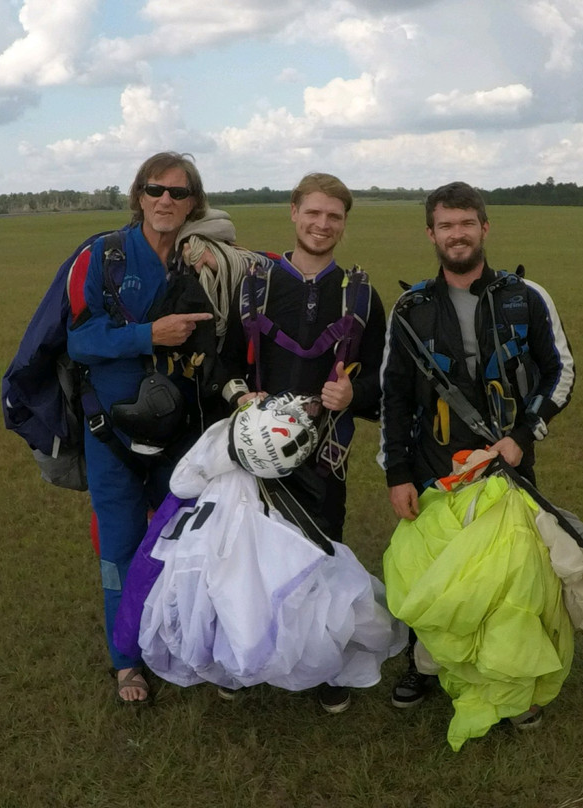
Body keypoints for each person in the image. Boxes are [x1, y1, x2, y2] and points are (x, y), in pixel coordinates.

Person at [378, 181, 576, 714]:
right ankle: (424, 664)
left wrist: (521, 435)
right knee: (431, 570)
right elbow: (392, 396)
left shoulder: (526, 297)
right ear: (431, 234)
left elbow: (561, 373)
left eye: (466, 223)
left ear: (485, 228)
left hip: (506, 465)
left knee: (513, 575)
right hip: (433, 467)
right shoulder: (411, 308)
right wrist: (397, 473)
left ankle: (506, 670)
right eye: (446, 225)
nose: (457, 234)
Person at [221, 173, 387, 713]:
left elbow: (385, 381)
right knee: (255, 556)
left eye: (333, 216)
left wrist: (353, 393)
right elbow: (221, 366)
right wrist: (244, 398)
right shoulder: (254, 287)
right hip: (257, 450)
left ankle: (320, 663)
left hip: (325, 454)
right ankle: (248, 657)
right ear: (293, 213)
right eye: (312, 213)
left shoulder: (360, 294)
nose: (322, 224)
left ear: (344, 222)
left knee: (320, 557)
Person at [64, 151, 219, 704]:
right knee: (120, 546)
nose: (165, 201)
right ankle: (126, 660)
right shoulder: (101, 257)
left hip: (181, 435)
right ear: (138, 196)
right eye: (155, 190)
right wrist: (148, 335)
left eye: (178, 193)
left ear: (193, 202)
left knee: (184, 542)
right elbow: (78, 340)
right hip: (112, 437)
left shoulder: (204, 261)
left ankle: (180, 637)